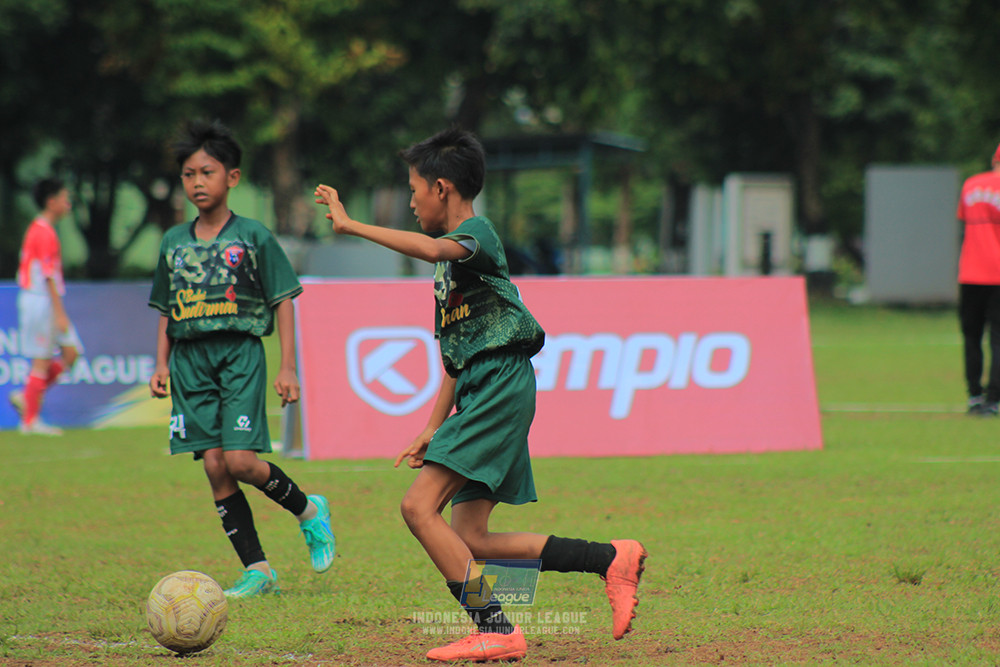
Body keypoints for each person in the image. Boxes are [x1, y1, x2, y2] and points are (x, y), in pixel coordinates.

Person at [314, 127, 647, 663]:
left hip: (499, 386)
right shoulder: (451, 272)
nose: (411, 199)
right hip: (483, 388)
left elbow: (427, 248)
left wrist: (351, 224)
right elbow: (455, 357)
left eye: (414, 188)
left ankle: (495, 627)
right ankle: (611, 558)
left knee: (418, 507)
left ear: (441, 188)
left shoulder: (478, 236)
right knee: (473, 537)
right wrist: (431, 427)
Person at [148, 119, 336, 599]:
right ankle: (259, 570)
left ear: (231, 177)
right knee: (214, 466)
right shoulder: (173, 242)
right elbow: (168, 309)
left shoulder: (253, 236)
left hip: (239, 355)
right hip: (189, 361)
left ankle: (309, 511)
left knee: (240, 461)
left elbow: (284, 299)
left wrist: (288, 366)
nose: (196, 183)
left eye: (206, 172)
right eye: (189, 174)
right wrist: (161, 363)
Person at [11, 177, 84, 436]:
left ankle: (25, 396)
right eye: (65, 198)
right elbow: (48, 274)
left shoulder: (45, 230)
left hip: (45, 302)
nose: (68, 203)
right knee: (41, 361)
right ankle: (30, 422)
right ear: (51, 202)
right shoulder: (42, 232)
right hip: (39, 301)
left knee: (71, 353)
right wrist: (59, 312)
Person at [956, 141, 1000, 416]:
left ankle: (974, 395)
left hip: (970, 273)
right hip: (998, 275)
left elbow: (963, 220)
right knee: (998, 338)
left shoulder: (971, 185)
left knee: (971, 337)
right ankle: (994, 399)